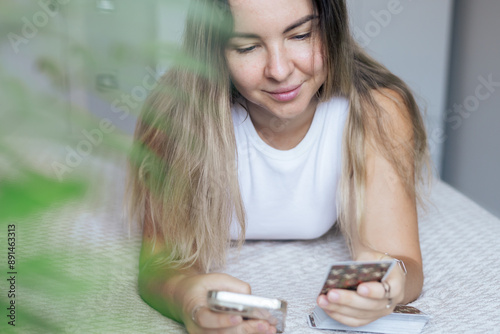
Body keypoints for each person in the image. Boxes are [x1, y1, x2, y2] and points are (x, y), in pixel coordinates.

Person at [127, 0, 430, 333]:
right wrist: (188, 298)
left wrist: (389, 285)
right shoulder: (173, 120)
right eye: (247, 46)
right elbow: (160, 265)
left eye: (300, 35)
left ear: (332, 30)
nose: (280, 70)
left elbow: (401, 260)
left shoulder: (378, 111)